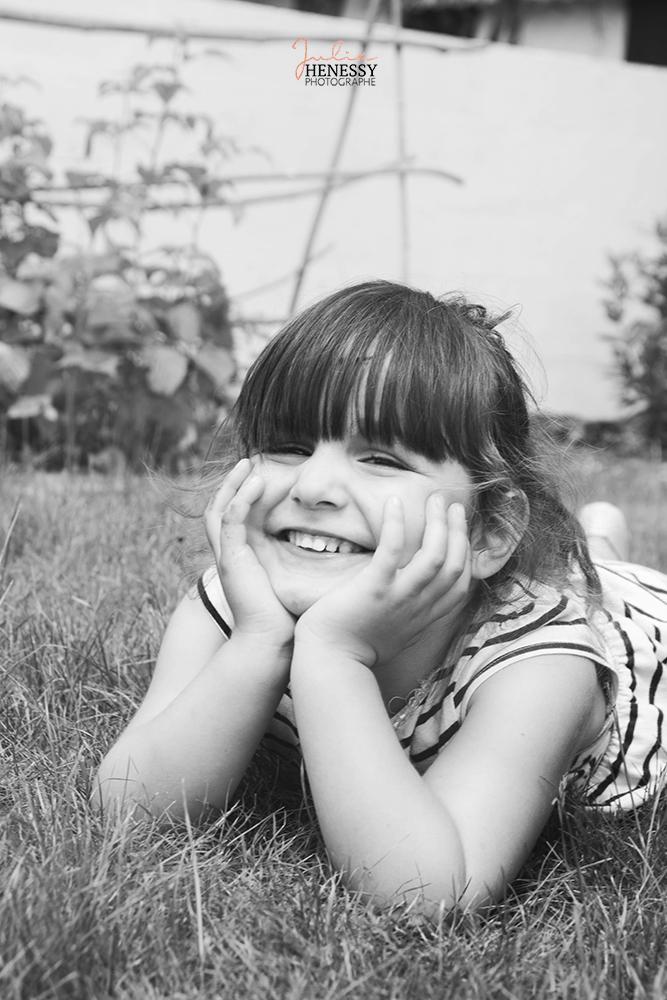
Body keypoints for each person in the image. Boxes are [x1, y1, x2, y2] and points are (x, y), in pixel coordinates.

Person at [95, 281, 667, 915]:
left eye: (381, 459)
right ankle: (594, 542)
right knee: (584, 569)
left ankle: (599, 550)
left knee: (589, 588)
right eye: (288, 447)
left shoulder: (540, 665)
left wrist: (335, 655)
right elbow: (128, 813)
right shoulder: (232, 609)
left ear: (488, 531)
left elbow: (430, 894)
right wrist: (260, 644)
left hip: (633, 628)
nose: (313, 485)